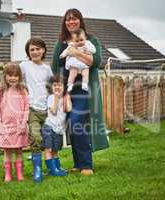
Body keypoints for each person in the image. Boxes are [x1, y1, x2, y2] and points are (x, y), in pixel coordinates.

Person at [52, 8, 109, 176]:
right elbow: (55, 66)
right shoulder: (61, 43)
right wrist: (59, 92)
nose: (71, 22)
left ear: (80, 21)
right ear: (65, 22)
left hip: (85, 89)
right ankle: (78, 163)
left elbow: (96, 62)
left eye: (75, 19)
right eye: (68, 20)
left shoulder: (91, 40)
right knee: (72, 126)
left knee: (78, 123)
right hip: (68, 90)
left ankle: (86, 165)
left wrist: (75, 51)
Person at [19, 37, 53, 183]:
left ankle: (52, 167)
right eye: (31, 49)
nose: (35, 52)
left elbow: (52, 86)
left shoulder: (47, 68)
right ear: (28, 52)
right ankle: (37, 170)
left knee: (49, 138)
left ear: (43, 50)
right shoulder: (24, 66)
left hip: (47, 109)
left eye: (38, 49)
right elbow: (14, 78)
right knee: (35, 138)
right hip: (32, 108)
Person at [0, 63, 29, 182]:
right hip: (5, 126)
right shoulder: (1, 91)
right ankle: (8, 174)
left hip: (19, 126)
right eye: (10, 75)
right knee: (7, 151)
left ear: (19, 77)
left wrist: (24, 123)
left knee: (19, 150)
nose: (13, 78)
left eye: (15, 75)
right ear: (5, 76)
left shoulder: (22, 91)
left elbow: (26, 107)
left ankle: (19, 173)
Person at [41, 75, 72, 176]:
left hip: (58, 130)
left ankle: (57, 167)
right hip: (49, 127)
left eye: (60, 85)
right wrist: (57, 98)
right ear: (51, 87)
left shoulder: (65, 97)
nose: (57, 87)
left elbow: (69, 109)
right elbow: (53, 111)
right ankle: (53, 170)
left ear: (64, 87)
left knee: (55, 150)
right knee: (48, 149)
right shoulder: (51, 97)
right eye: (55, 85)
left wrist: (66, 97)